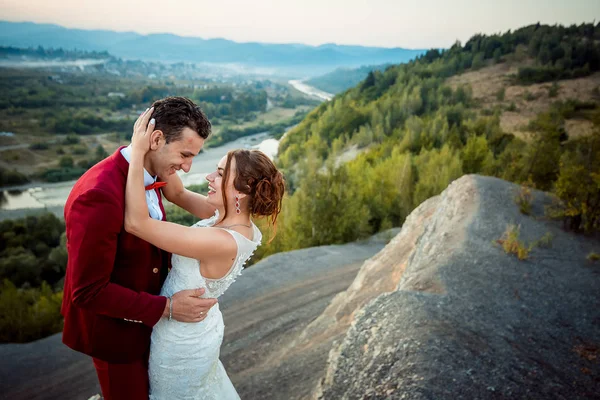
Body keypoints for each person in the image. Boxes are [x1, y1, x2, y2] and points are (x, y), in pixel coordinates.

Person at [61, 97, 217, 400]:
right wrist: (168, 308)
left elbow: (182, 196)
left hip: (150, 331)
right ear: (155, 139)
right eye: (185, 154)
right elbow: (88, 290)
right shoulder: (98, 195)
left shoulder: (153, 173)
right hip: (116, 339)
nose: (187, 166)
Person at [124, 107, 285, 399]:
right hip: (196, 327)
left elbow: (136, 223)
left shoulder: (222, 240)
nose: (209, 176)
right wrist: (157, 149)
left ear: (242, 191)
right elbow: (177, 194)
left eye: (220, 173)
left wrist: (136, 153)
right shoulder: (227, 216)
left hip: (182, 341)